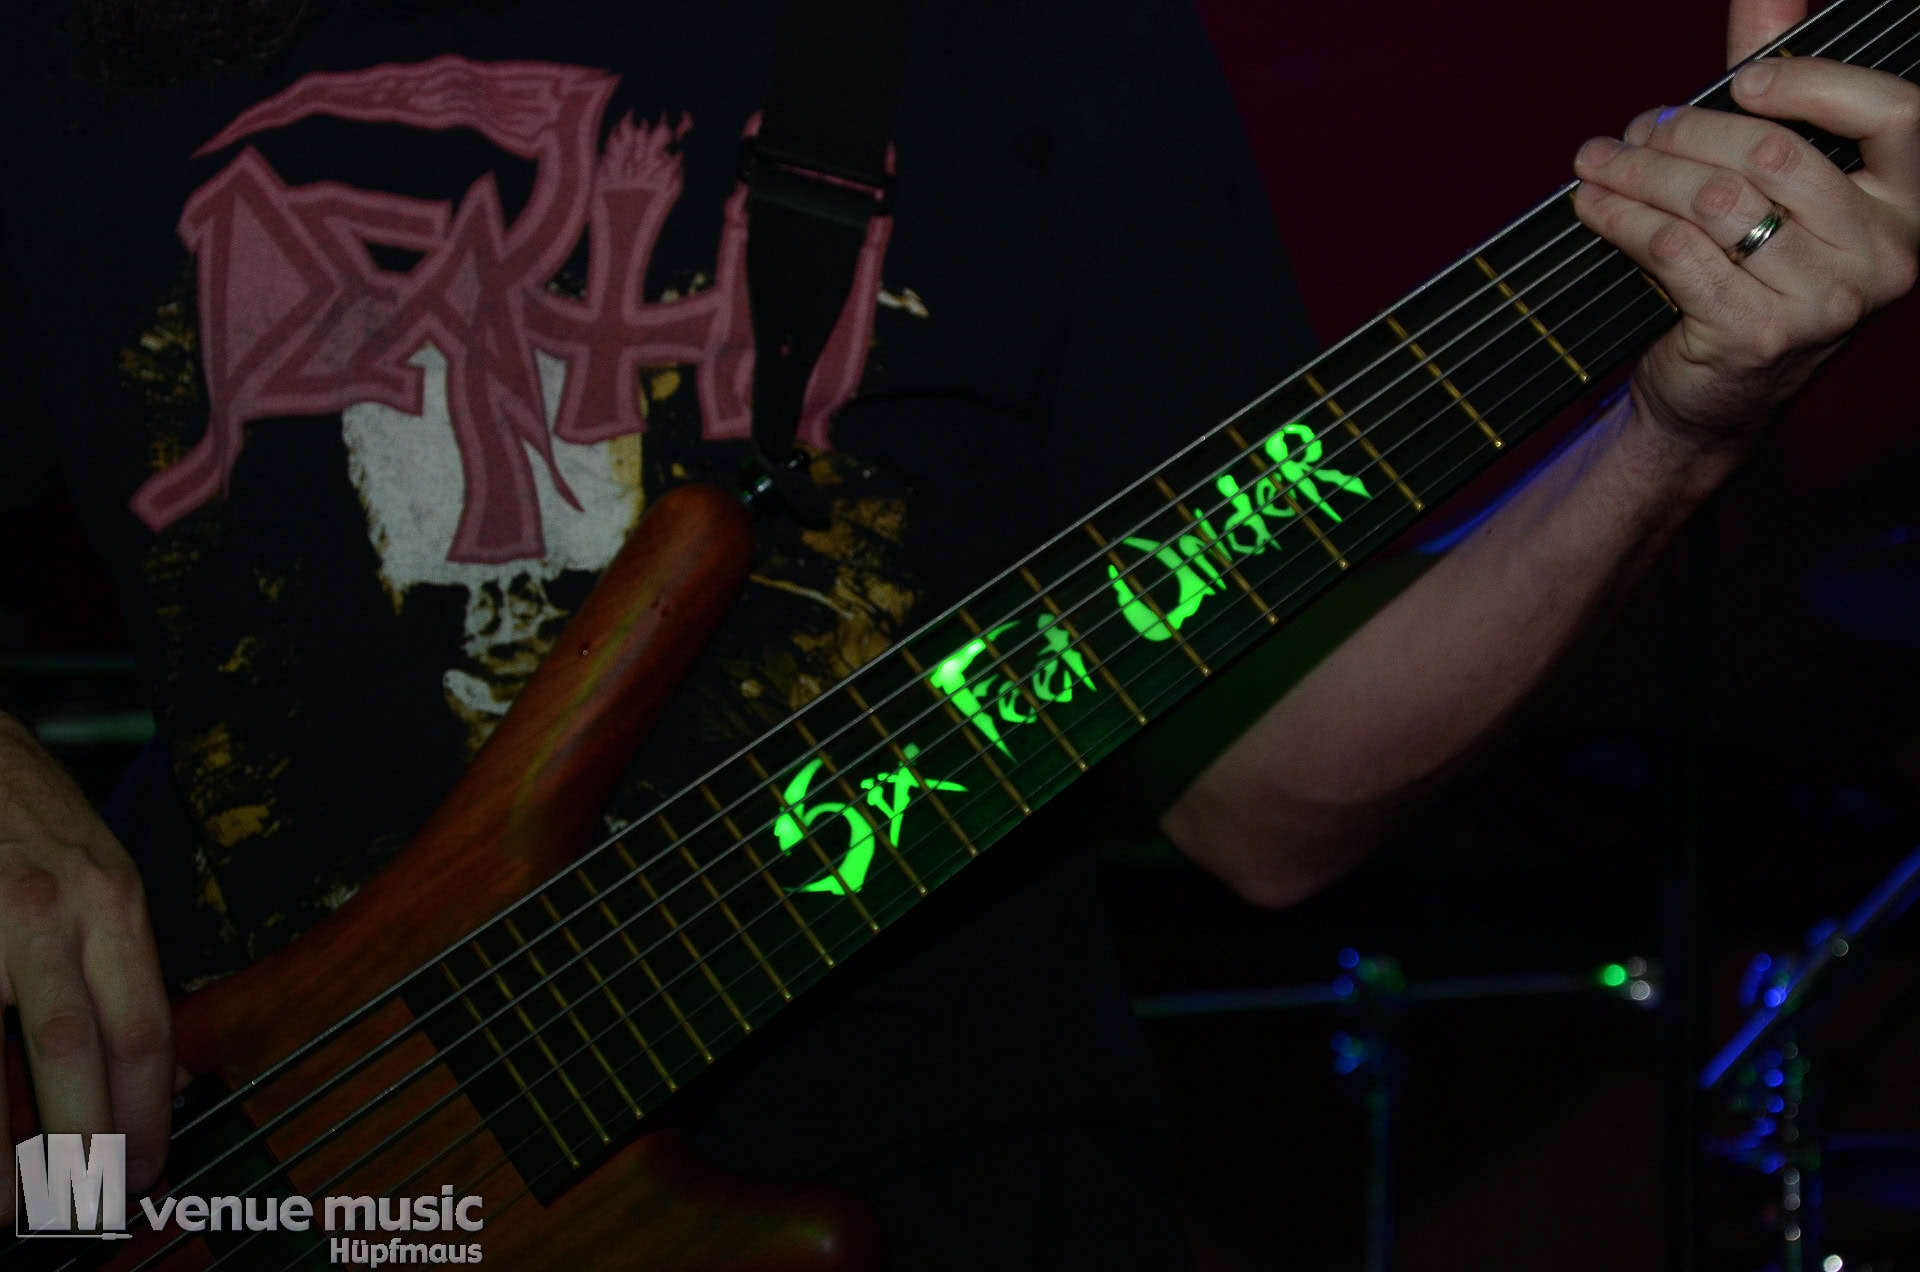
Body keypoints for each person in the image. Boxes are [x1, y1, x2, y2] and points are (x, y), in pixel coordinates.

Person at [0, 0, 1915, 1263]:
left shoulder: (1034, 40)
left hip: (940, 1206)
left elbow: (1266, 804)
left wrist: (1673, 432)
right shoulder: (80, 43)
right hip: (181, 1185)